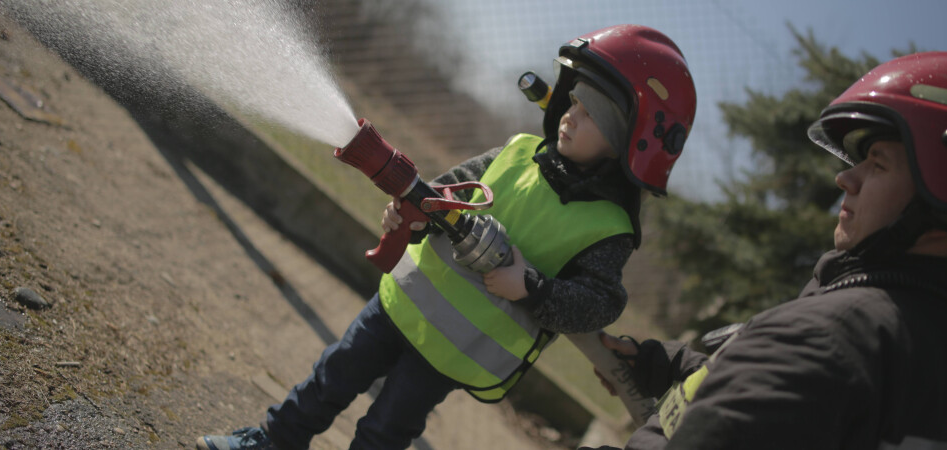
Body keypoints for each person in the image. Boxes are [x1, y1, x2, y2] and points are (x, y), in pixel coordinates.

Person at [196, 24, 697, 450]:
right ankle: (270, 440)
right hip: (404, 301)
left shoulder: (610, 230)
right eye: (574, 101)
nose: (569, 114)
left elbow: (601, 303)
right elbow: (447, 191)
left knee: (386, 429)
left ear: (628, 144)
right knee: (332, 375)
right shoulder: (519, 151)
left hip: (456, 348)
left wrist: (534, 288)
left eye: (591, 114)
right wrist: (408, 211)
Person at [586, 51, 947, 450]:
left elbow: (798, 372)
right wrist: (668, 366)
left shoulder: (828, 339)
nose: (845, 180)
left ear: (945, 208)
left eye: (879, 164)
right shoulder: (928, 353)